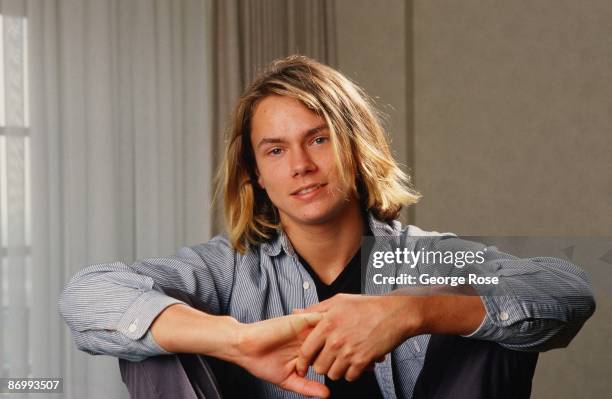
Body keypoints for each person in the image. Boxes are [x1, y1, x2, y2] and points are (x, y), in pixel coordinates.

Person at [59, 55, 596, 399]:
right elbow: (87, 295)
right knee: (156, 343)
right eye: (275, 149)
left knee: (485, 317)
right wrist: (239, 341)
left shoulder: (426, 259)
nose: (300, 165)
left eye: (318, 139)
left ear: (355, 149)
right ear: (257, 176)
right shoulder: (229, 270)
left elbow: (567, 288)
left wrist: (410, 313)